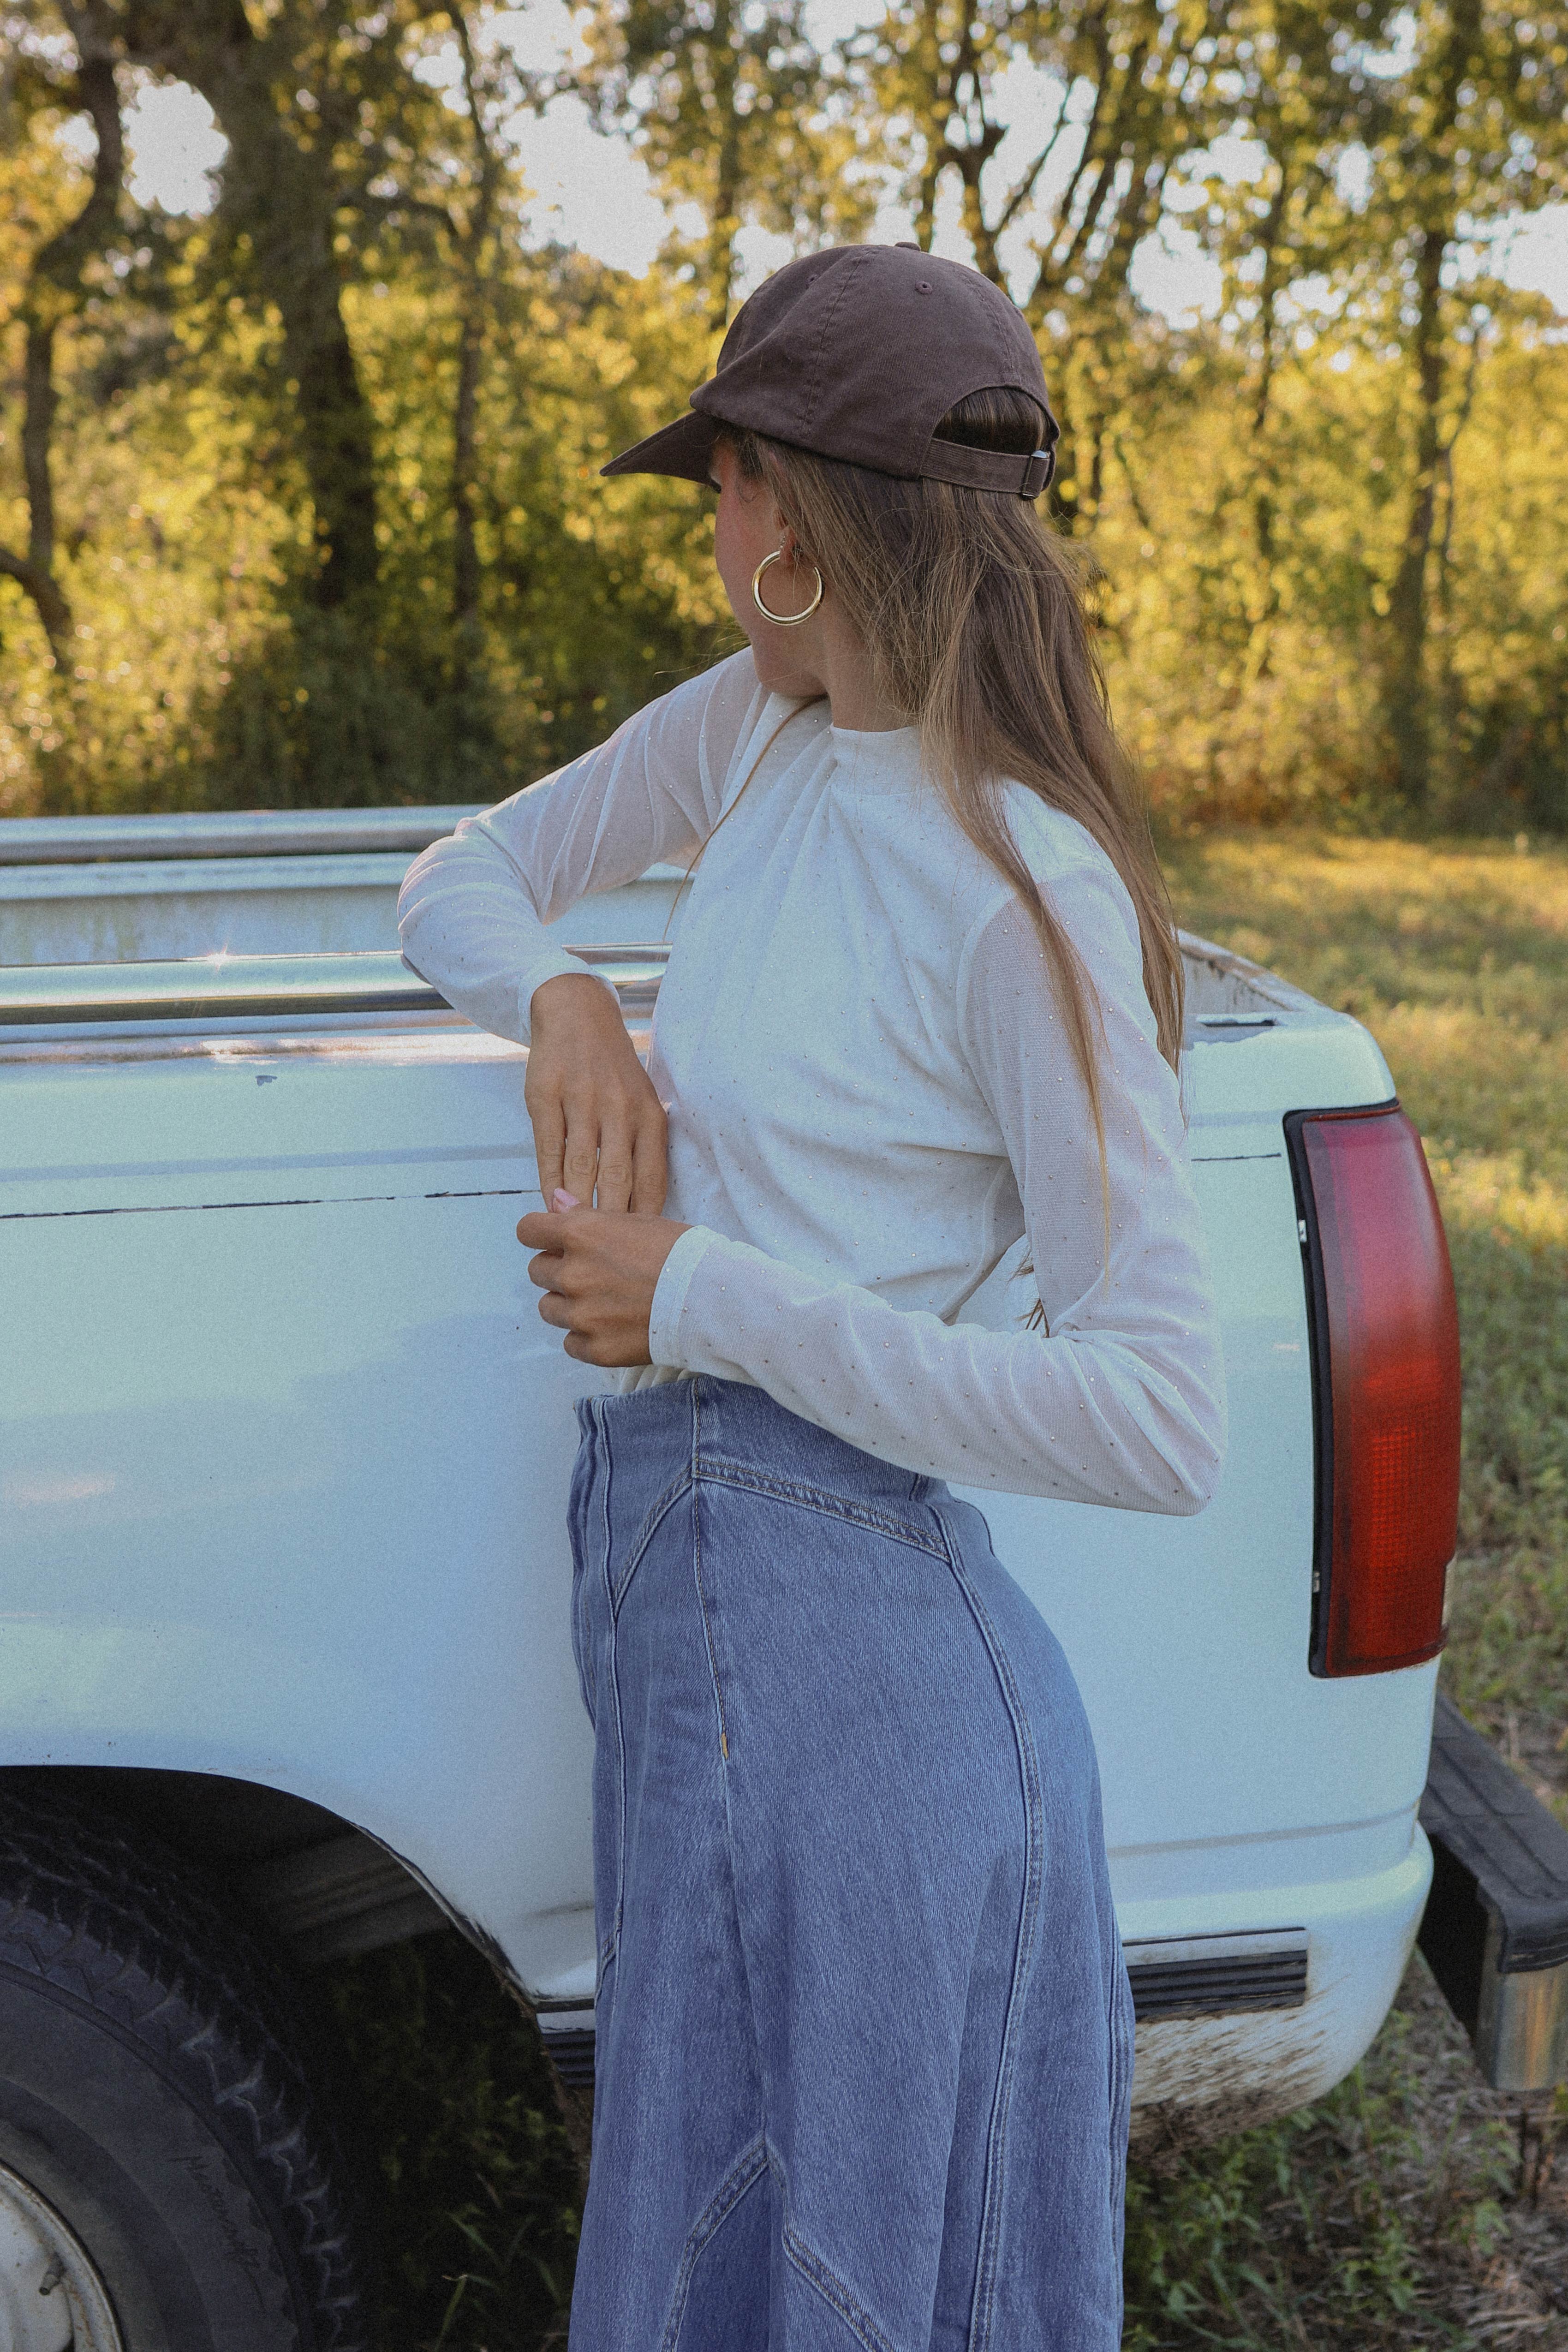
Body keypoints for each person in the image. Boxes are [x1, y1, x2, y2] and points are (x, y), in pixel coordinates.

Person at [397, 242, 1226, 2351]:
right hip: (716, 1632)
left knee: (831, 2285)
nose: (706, 515)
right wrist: (568, 997)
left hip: (868, 1687)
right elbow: (452, 878)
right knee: (729, 2256)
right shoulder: (759, 735)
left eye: (724, 474)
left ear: (799, 515)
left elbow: (1157, 1418)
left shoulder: (1014, 887)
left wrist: (708, 1296)